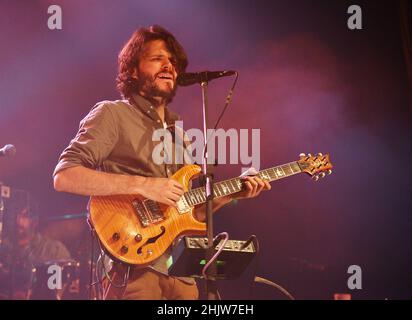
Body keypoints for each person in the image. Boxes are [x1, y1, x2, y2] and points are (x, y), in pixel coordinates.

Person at [53, 25, 271, 300]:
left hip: (181, 271)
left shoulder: (180, 134)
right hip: (132, 270)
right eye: (157, 58)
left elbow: (190, 213)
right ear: (132, 70)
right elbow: (65, 176)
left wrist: (232, 194)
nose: (169, 65)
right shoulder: (113, 114)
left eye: (173, 62)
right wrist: (145, 185)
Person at [0, 203, 71, 299]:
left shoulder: (53, 250)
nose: (18, 220)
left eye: (24, 216)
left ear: (35, 222)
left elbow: (62, 290)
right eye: (16, 214)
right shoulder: (4, 246)